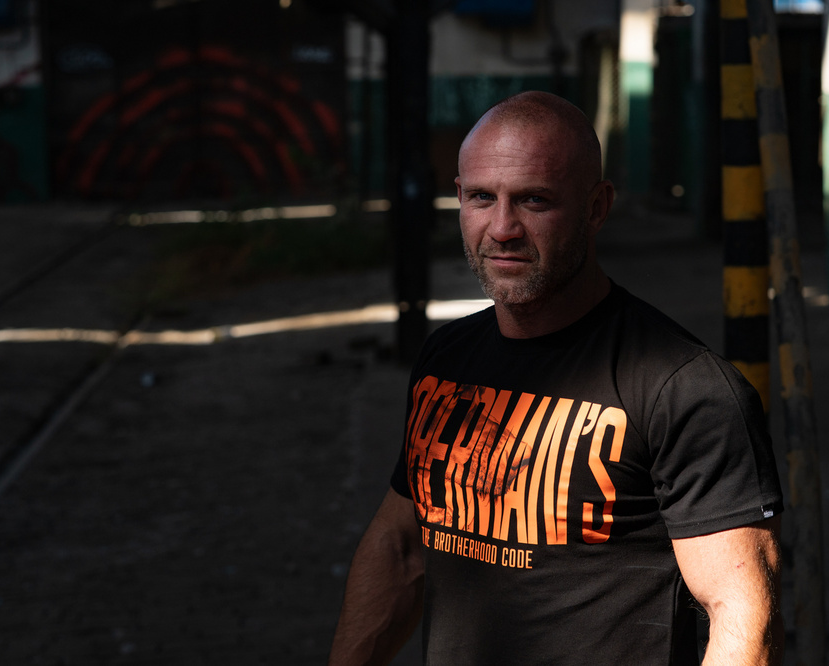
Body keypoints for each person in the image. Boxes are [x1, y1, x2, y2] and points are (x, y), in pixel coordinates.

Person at [329, 91, 784, 665]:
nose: (502, 228)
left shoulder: (685, 389)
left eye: (534, 200)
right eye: (481, 198)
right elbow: (400, 550)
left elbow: (742, 615)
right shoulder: (446, 358)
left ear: (596, 208)